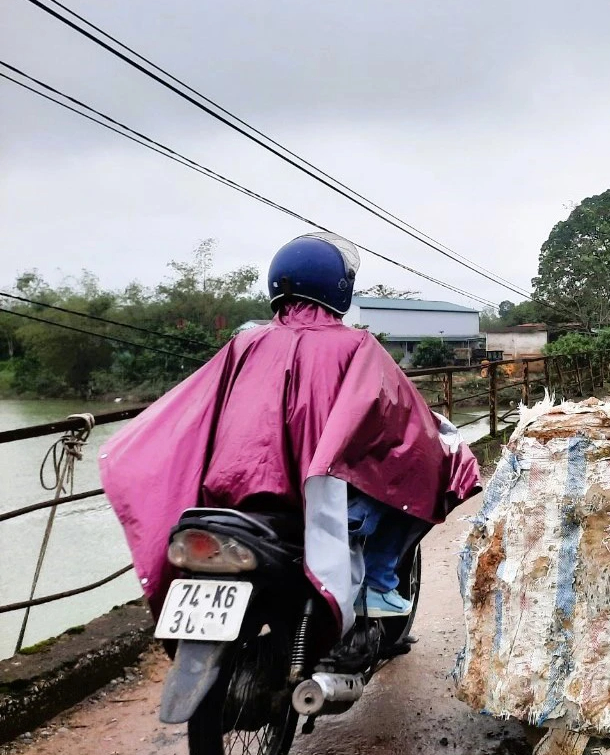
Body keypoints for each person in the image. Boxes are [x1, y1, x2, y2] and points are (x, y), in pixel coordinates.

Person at [101, 232, 480, 631]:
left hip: (231, 494)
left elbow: (195, 410)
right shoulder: (355, 346)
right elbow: (402, 418)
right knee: (440, 472)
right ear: (339, 287)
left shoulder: (243, 344)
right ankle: (378, 583)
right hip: (316, 496)